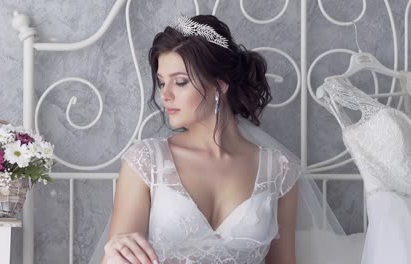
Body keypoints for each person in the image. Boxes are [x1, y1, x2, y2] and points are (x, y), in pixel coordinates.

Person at [91, 15, 358, 264]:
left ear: (220, 85)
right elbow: (121, 257)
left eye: (180, 82)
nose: (166, 95)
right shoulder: (147, 162)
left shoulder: (280, 171)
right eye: (162, 83)